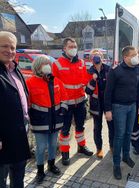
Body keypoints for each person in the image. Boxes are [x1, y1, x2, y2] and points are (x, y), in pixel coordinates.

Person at [26, 55, 68, 184]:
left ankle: (51, 165)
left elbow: (64, 96)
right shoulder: (29, 83)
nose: (47, 66)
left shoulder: (56, 81)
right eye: (44, 64)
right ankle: (39, 171)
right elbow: (27, 103)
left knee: (53, 145)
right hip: (40, 122)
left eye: (48, 63)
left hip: (55, 120)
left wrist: (63, 109)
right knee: (41, 147)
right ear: (37, 67)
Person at [52, 37, 93, 166]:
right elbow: (54, 86)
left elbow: (86, 79)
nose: (74, 48)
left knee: (80, 127)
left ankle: (81, 147)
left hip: (80, 101)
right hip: (65, 104)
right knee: (65, 130)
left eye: (75, 46)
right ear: (64, 48)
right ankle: (65, 153)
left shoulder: (81, 62)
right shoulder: (57, 64)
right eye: (70, 46)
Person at [0, 31, 30, 188]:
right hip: (3, 137)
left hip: (19, 131)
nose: (9, 50)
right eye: (5, 46)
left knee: (18, 174)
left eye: (12, 47)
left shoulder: (15, 69)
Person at [104, 46, 139, 180]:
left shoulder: (137, 69)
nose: (136, 57)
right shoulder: (115, 71)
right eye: (133, 55)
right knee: (119, 135)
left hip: (132, 106)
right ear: (126, 57)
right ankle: (116, 164)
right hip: (118, 107)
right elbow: (108, 92)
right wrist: (107, 110)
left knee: (128, 133)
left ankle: (126, 156)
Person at [85, 49, 114, 159]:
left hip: (108, 103)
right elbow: (88, 91)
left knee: (112, 126)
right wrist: (93, 81)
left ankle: (112, 146)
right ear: (91, 59)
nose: (96, 58)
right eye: (94, 56)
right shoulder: (89, 71)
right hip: (96, 104)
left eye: (98, 56)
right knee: (97, 127)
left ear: (102, 57)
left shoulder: (108, 69)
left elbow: (113, 86)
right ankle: (99, 149)